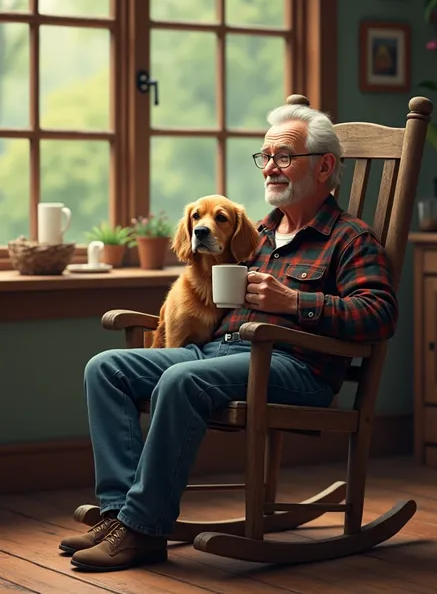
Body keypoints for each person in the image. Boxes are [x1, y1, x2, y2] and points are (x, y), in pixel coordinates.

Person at [59, 94, 399, 572]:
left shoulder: (350, 238)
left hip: (294, 367)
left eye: (284, 157)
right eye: (266, 157)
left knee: (181, 382)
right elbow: (200, 276)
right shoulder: (255, 234)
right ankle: (119, 516)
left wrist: (294, 301)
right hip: (219, 352)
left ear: (324, 167)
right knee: (107, 368)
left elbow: (380, 313)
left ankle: (143, 531)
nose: (270, 168)